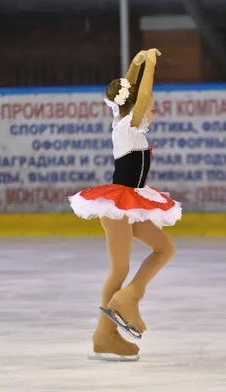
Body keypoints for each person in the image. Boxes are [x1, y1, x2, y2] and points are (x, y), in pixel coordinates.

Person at [68, 48, 182, 361]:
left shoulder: (122, 119)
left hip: (133, 203)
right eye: (151, 109)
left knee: (165, 249)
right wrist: (152, 66)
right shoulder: (130, 128)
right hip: (118, 204)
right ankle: (105, 334)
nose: (152, 113)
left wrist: (135, 64)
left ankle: (130, 296)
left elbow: (129, 90)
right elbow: (141, 94)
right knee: (119, 267)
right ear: (139, 109)